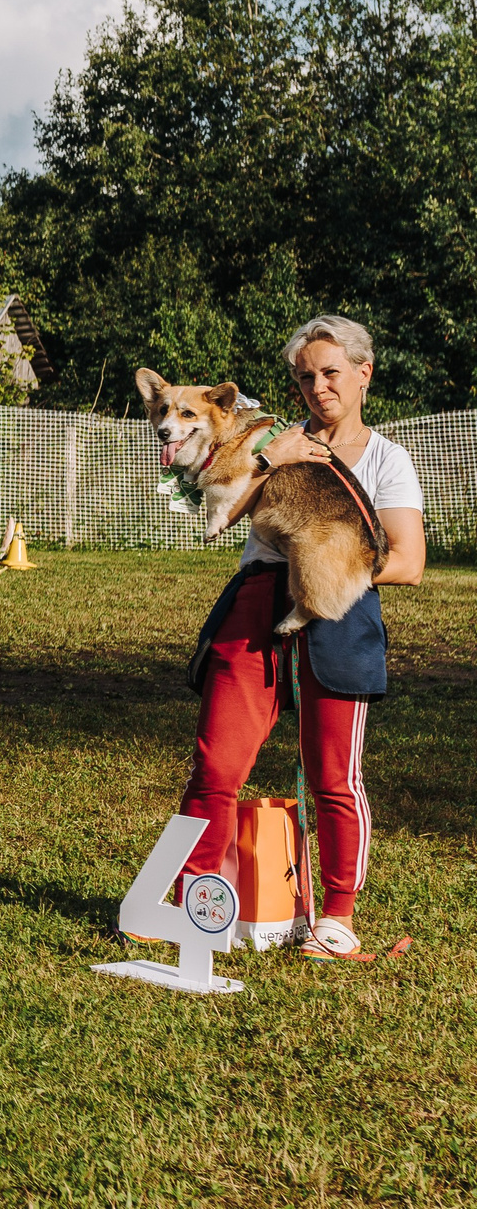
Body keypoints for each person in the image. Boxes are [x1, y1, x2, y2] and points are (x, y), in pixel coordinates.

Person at [178, 314, 425, 959]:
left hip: (340, 605)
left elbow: (410, 561)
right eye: (306, 377)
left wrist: (333, 566)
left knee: (334, 775)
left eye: (332, 372)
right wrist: (269, 458)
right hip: (258, 597)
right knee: (217, 762)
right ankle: (194, 902)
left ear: (364, 374)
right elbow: (223, 511)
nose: (319, 387)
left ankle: (337, 915)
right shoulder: (273, 440)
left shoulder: (387, 459)